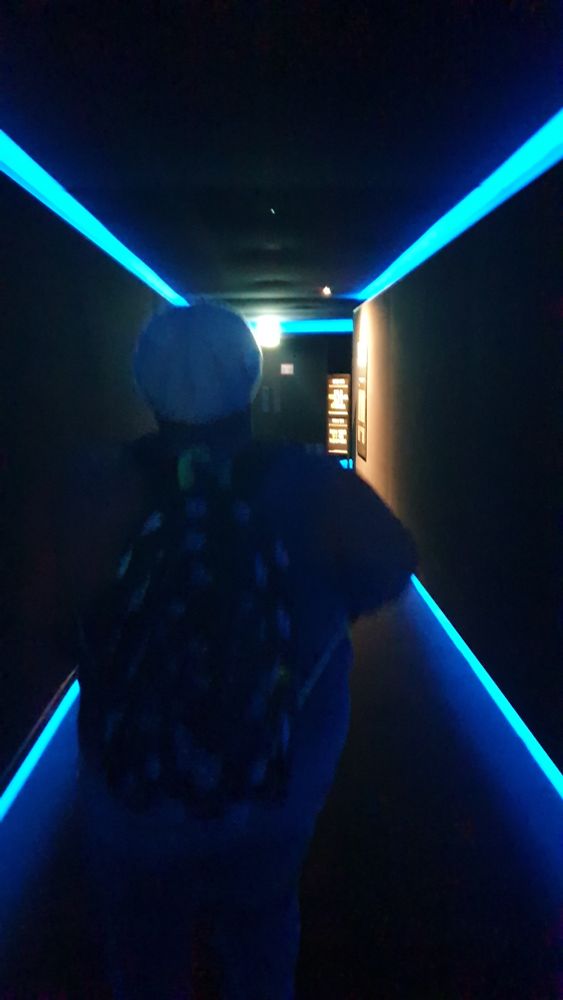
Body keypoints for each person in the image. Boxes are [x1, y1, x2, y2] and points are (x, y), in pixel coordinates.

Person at [59, 302, 417, 999]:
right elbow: (393, 562)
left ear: (143, 383)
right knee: (261, 922)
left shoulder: (95, 487)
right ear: (249, 381)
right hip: (276, 773)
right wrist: (318, 614)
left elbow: (44, 619)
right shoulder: (314, 483)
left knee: (142, 940)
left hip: (131, 779)